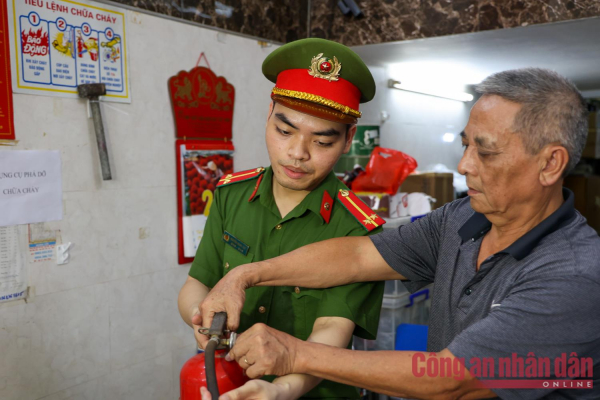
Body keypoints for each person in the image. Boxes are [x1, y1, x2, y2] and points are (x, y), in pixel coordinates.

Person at [199, 68, 600, 400]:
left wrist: (294, 355)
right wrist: (245, 275)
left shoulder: (575, 276)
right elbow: (358, 257)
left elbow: (450, 378)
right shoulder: (463, 218)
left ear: (550, 164)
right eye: (465, 146)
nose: (464, 165)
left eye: (486, 152)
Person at [178, 38, 388, 400]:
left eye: (322, 142)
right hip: (233, 382)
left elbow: (331, 329)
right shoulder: (231, 195)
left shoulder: (358, 229)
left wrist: (283, 389)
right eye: (285, 130)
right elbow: (198, 283)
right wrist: (204, 318)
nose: (297, 153)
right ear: (268, 114)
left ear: (347, 139)